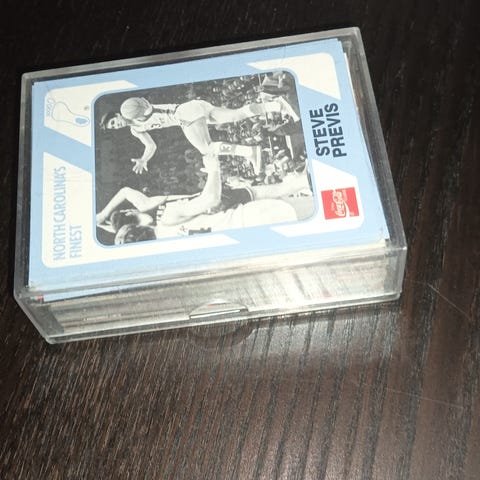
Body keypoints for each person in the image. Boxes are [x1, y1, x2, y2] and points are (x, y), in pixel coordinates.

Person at [96, 154, 313, 244]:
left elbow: (122, 230)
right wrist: (213, 168)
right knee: (316, 207)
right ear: (130, 215)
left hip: (247, 241)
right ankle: (304, 182)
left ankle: (302, 181)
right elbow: (210, 199)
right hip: (239, 214)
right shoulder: (159, 213)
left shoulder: (170, 253)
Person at [100, 96, 299, 175]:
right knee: (236, 115)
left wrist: (141, 108)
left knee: (206, 149)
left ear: (117, 115)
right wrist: (144, 159)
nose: (117, 125)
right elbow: (151, 146)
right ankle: (276, 104)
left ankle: (250, 152)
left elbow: (147, 107)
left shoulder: (131, 108)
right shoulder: (135, 130)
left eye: (114, 122)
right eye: (113, 127)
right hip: (193, 108)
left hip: (183, 114)